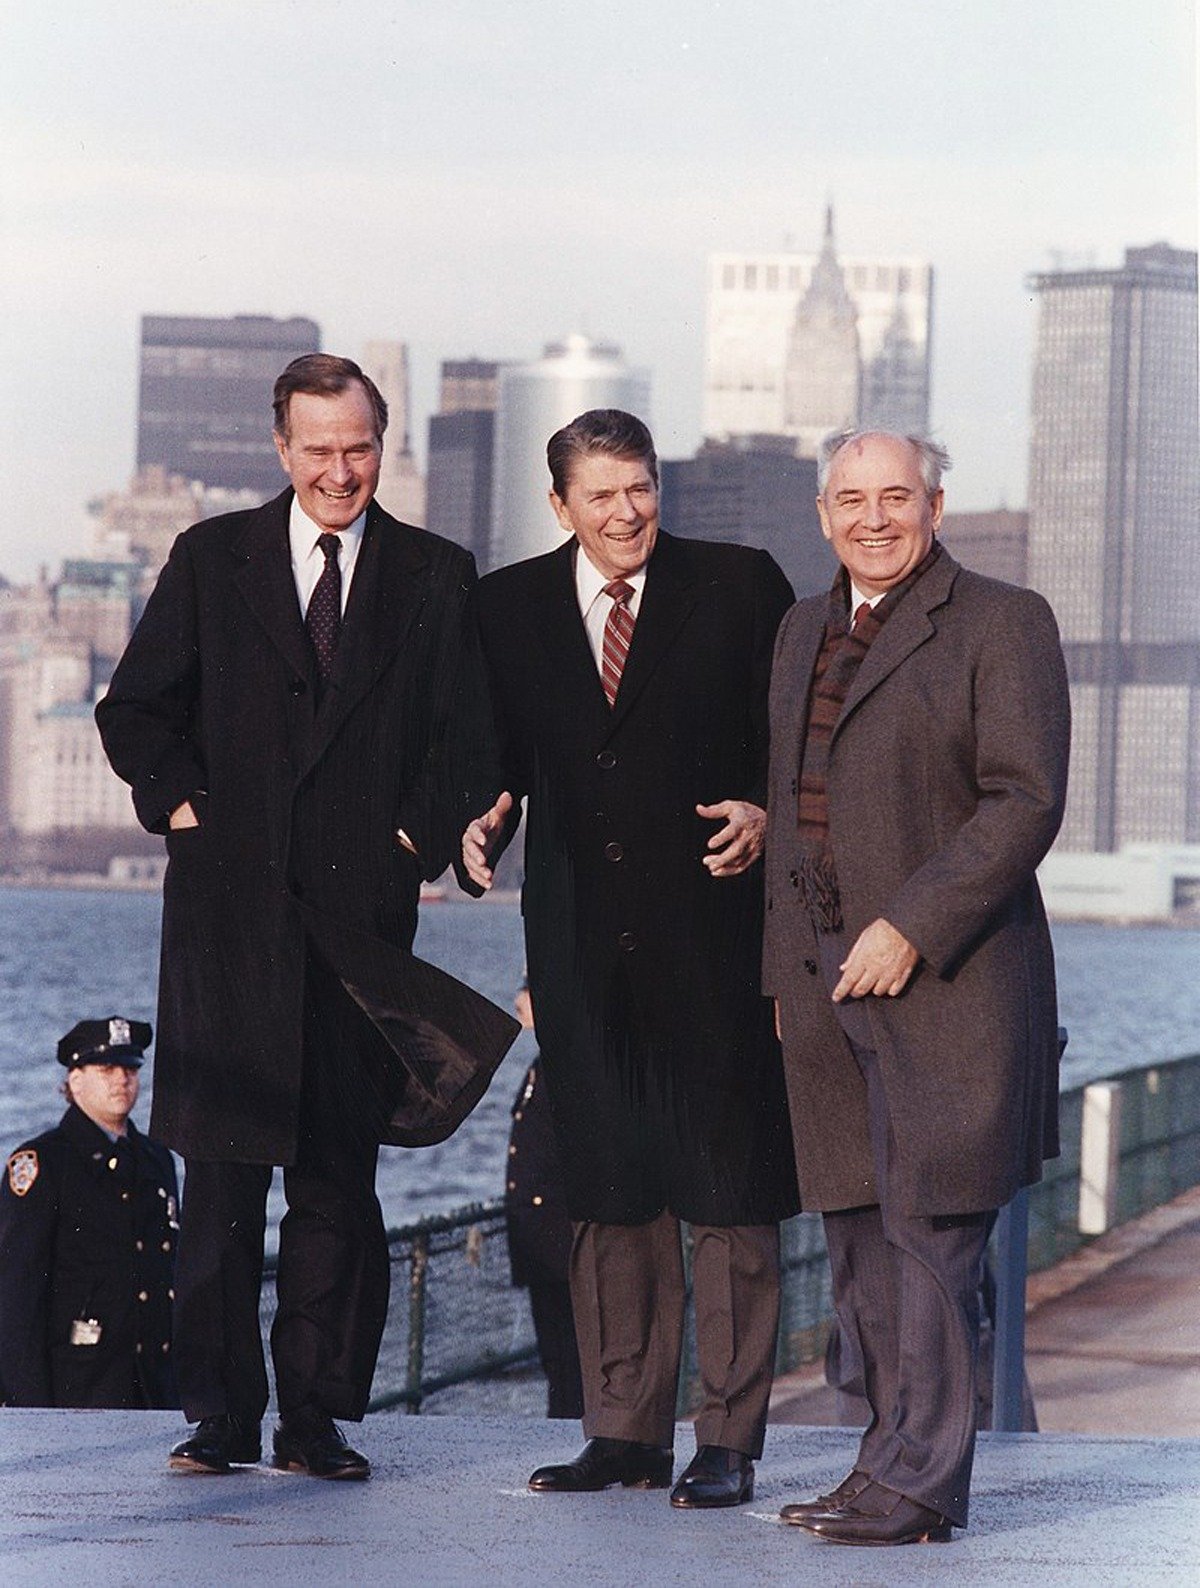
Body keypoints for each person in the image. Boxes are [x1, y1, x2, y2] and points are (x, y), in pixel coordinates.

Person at [96, 354, 516, 1481]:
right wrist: (182, 804)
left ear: (384, 446)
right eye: (319, 449)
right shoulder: (209, 557)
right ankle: (222, 1417)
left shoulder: (437, 573)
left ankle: (316, 1418)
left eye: (361, 447)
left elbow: (470, 746)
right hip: (225, 926)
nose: (341, 470)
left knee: (338, 1182)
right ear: (280, 449)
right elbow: (133, 708)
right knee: (223, 1188)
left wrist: (409, 845)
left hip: (358, 930)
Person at [464, 409, 800, 1509]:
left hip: (713, 935)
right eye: (602, 495)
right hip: (576, 950)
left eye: (642, 488)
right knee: (609, 1192)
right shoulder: (505, 606)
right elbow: (492, 756)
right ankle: (622, 1430)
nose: (627, 513)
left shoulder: (742, 585)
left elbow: (796, 742)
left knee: (727, 1191)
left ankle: (730, 1434)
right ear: (559, 505)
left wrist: (763, 809)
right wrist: (479, 819)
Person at [763, 429, 1069, 1545]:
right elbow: (799, 803)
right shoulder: (803, 626)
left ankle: (924, 1485)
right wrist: (786, 984)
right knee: (857, 1246)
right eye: (852, 499)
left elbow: (1023, 801)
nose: (875, 518)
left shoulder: (1002, 620)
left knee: (933, 1244)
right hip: (823, 989)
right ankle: (879, 1461)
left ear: (937, 505)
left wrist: (910, 924)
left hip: (949, 986)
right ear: (821, 510)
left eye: (897, 496)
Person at [0, 1017, 178, 1409]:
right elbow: (17, 1298)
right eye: (107, 1069)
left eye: (130, 1069)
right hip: (77, 1390)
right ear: (75, 1081)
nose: (122, 1080)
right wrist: (31, 1409)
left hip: (156, 1388)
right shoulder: (43, 1164)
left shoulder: (155, 1159)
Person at [504, 979, 584, 1420]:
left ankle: (570, 1436)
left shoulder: (561, 1067)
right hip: (538, 1239)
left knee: (568, 1358)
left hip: (557, 1240)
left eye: (528, 990)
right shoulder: (544, 1064)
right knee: (556, 1359)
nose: (518, 1000)